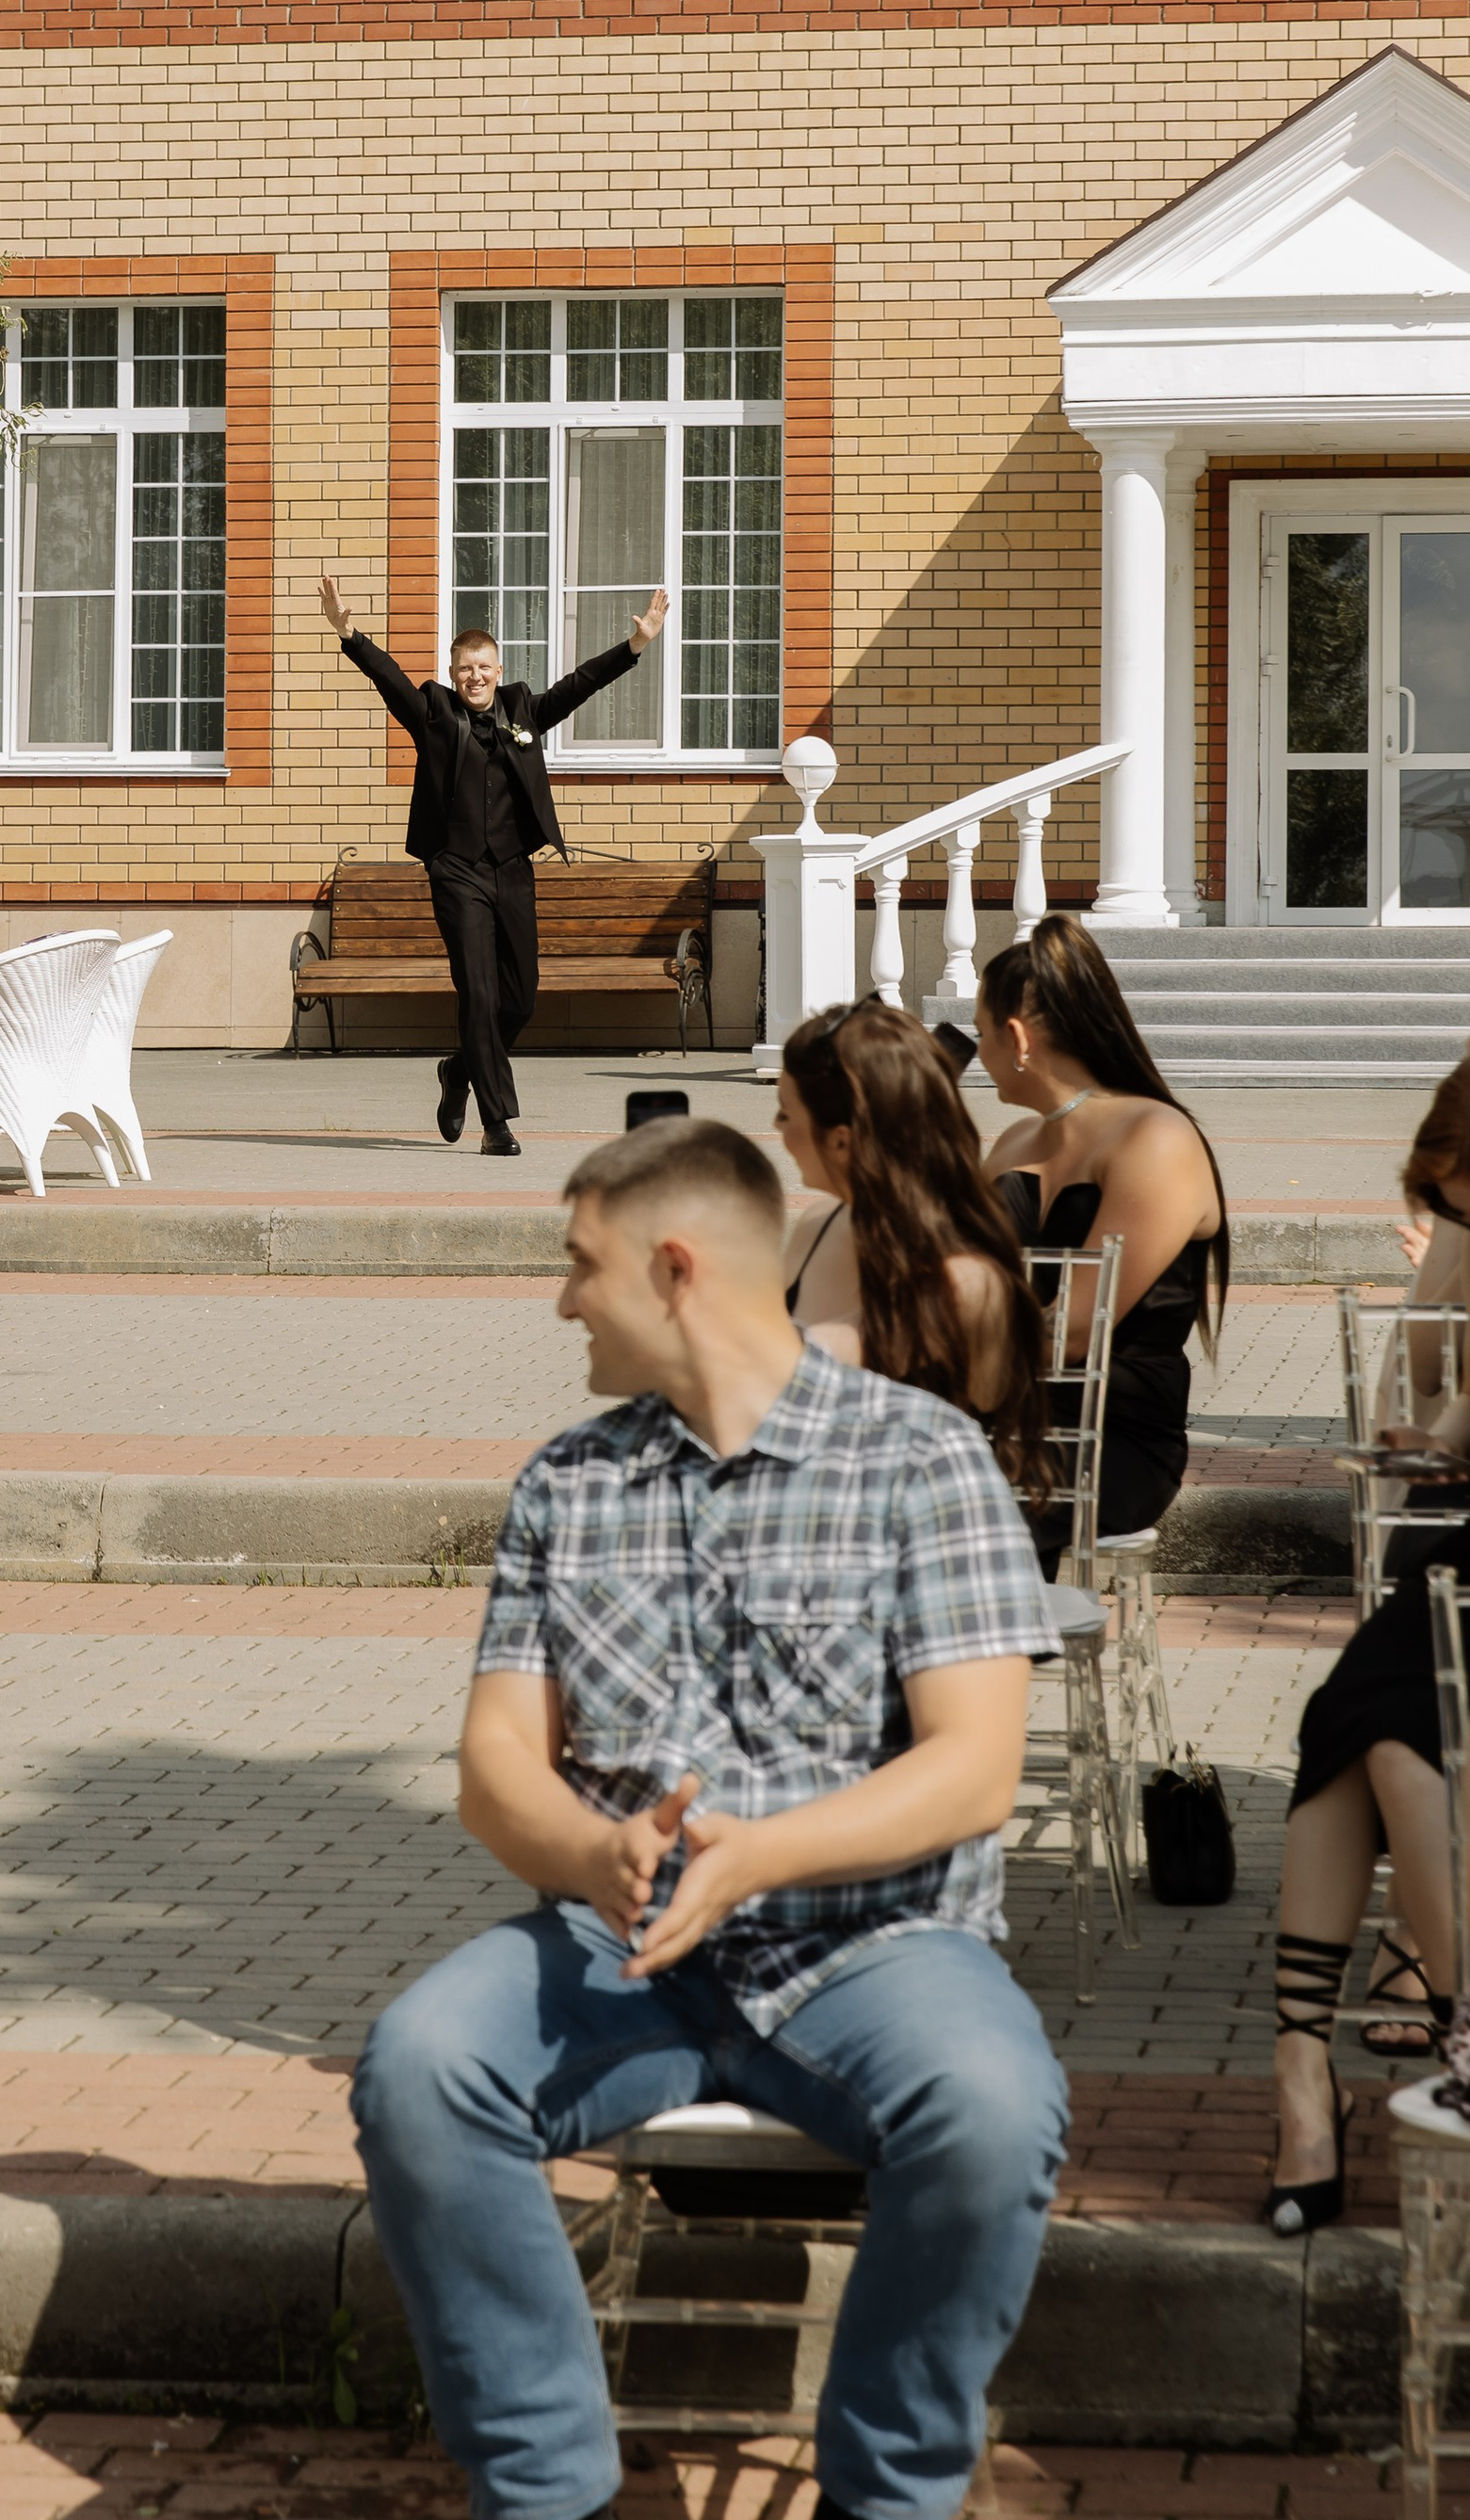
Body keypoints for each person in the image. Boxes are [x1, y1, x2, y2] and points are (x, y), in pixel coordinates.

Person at [352, 1116, 1066, 2520]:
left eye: (579, 1267)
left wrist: (762, 1856)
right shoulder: (572, 1481)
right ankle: (550, 2491)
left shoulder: (919, 1459)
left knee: (992, 2112)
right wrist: (591, 1851)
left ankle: (891, 2494)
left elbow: (975, 1767)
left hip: (875, 1944)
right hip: (621, 1950)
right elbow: (497, 1766)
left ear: (675, 1268)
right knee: (423, 2068)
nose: (563, 1301)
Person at [1262, 1057, 1470, 2230]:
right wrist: (1431, 1438)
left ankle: (1318, 2071)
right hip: (1457, 1557)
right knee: (1364, 1719)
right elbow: (1432, 1400)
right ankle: (1309, 2070)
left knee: (1373, 1731)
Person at [317, 563, 670, 1156]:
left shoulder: (523, 710)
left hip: (512, 869)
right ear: (453, 676)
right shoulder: (433, 712)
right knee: (477, 993)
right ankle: (497, 1122)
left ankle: (458, 1071)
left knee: (521, 998)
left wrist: (636, 645)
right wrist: (350, 636)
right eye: (464, 669)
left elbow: (578, 685)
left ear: (498, 671)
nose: (475, 676)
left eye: (484, 667)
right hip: (455, 870)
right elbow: (392, 682)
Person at [977, 911, 1227, 1543]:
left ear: (1016, 1037)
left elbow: (1076, 1332)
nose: (976, 1055)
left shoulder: (1154, 1137)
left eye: (980, 1035)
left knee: (927, 1507)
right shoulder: (1012, 1144)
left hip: (1108, 1441)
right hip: (996, 1423)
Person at [775, 999, 1050, 1490]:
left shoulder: (966, 1280)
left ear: (841, 1141)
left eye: (784, 1113)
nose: (778, 1130)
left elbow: (982, 1424)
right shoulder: (817, 1223)